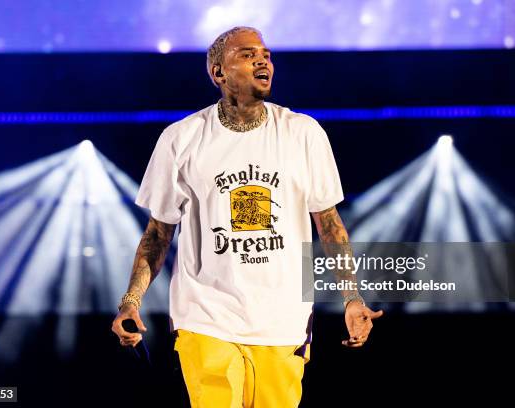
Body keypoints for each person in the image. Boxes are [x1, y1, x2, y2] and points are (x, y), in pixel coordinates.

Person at [111, 26, 383, 407]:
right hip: (205, 316)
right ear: (218, 73)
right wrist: (132, 300)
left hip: (282, 321)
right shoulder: (181, 139)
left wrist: (352, 297)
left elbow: (330, 224)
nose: (262, 60)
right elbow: (159, 232)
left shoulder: (303, 134)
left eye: (266, 54)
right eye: (247, 53)